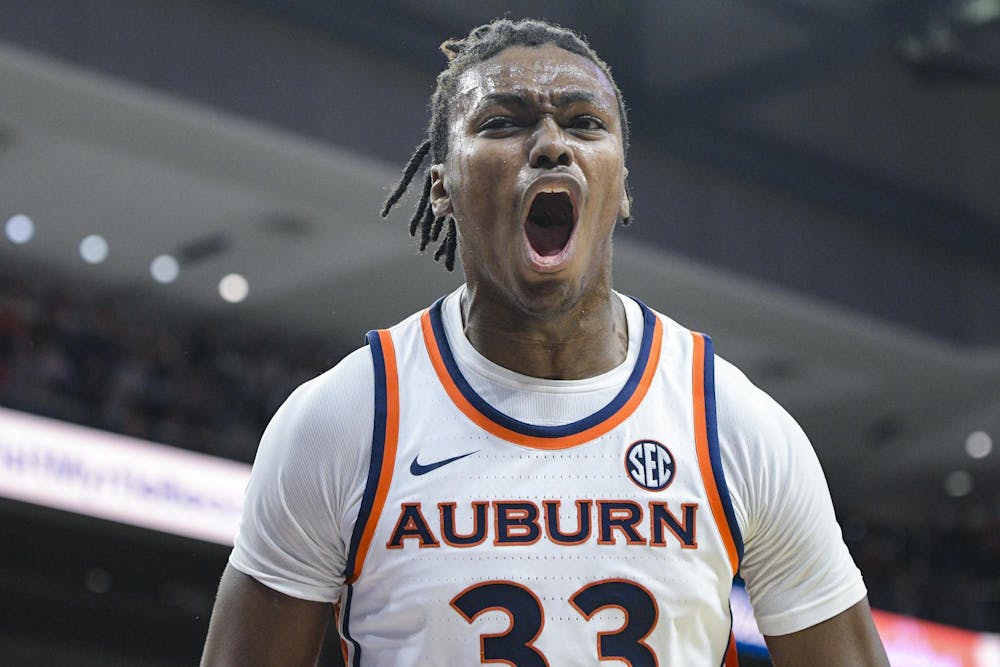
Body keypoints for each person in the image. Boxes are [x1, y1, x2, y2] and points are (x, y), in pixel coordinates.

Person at [202, 18, 890, 667]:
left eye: (585, 123)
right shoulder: (346, 418)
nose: (552, 143)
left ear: (620, 187)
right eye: (503, 122)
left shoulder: (733, 423)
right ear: (441, 187)